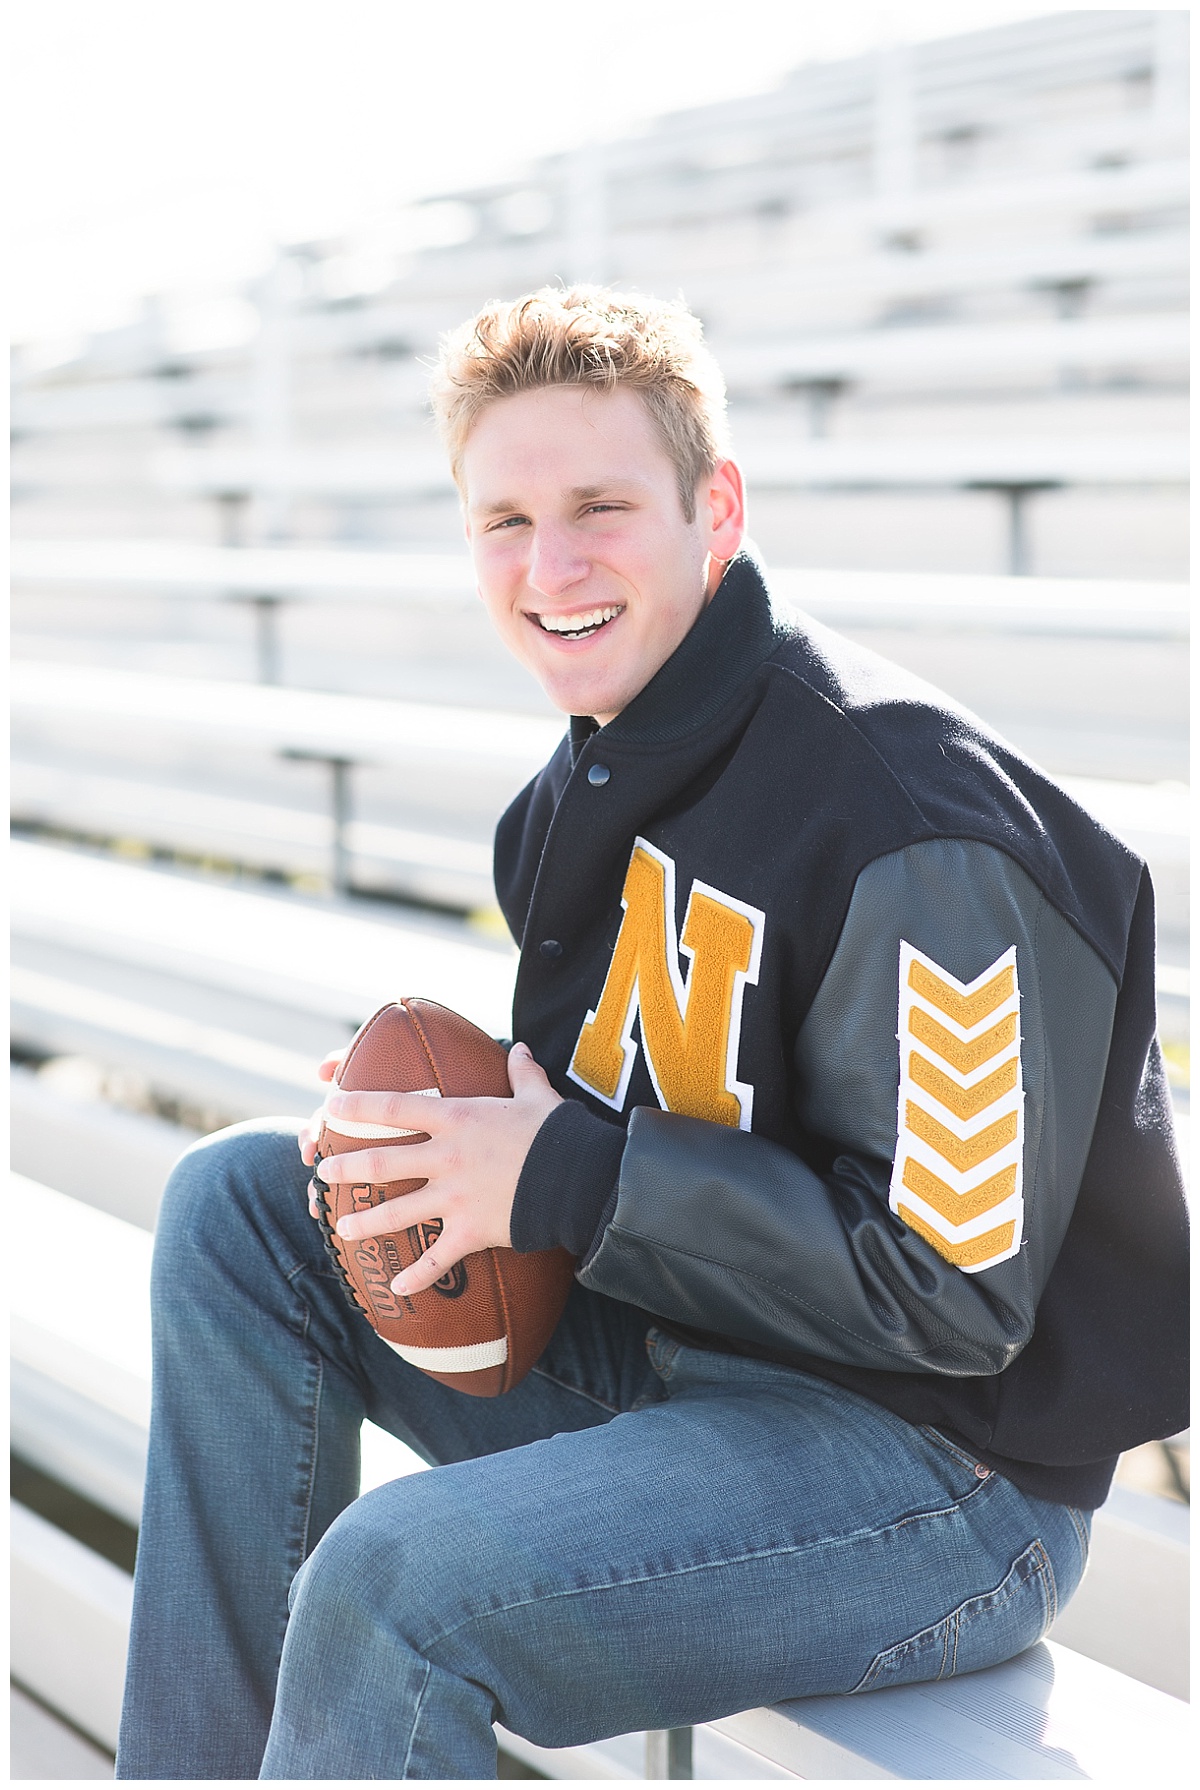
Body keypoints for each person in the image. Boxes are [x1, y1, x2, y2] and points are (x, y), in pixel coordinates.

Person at [116, 286, 1188, 1780]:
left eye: (600, 505)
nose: (549, 566)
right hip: (701, 1367)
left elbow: (951, 1296)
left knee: (388, 1589)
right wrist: (451, 1144)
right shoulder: (576, 799)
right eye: (504, 520)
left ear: (716, 510)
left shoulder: (920, 826)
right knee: (239, 1209)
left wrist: (561, 1174)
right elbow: (630, 1135)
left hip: (941, 1477)